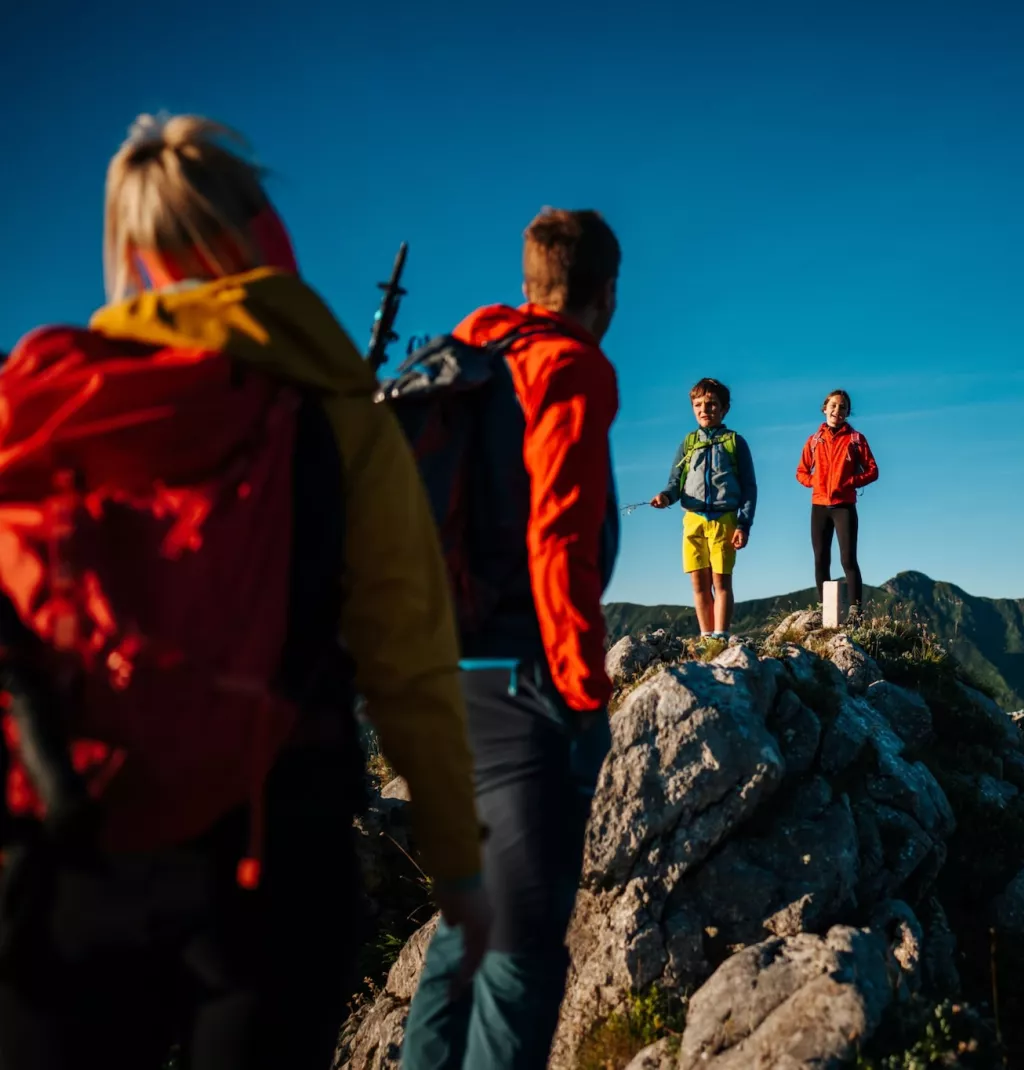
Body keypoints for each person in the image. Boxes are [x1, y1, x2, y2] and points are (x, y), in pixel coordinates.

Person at [0, 114, 489, 1069]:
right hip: (271, 855)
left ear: (131, 254)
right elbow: (410, 660)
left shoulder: (50, 399)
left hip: (69, 849)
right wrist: (458, 864)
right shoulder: (334, 409)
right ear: (262, 234)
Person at [400, 207, 622, 1070]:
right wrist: (582, 692)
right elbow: (559, 538)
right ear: (604, 293)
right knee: (520, 966)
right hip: (519, 686)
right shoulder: (567, 366)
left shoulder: (458, 363)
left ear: (529, 284)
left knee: (461, 945)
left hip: (434, 683)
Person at [649, 378, 758, 640]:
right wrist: (665, 497)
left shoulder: (735, 442)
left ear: (724, 409)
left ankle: (720, 636)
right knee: (699, 584)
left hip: (725, 520)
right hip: (693, 521)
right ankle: (706, 637)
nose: (704, 410)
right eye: (698, 405)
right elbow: (675, 483)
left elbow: (749, 487)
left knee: (721, 583)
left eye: (711, 405)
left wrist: (743, 524)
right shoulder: (688, 443)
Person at [796, 388, 879, 612]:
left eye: (842, 407)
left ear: (847, 412)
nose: (837, 410)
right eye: (833, 406)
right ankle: (827, 609)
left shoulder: (856, 439)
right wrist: (814, 482)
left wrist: (851, 481)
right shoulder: (814, 440)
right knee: (821, 560)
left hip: (844, 506)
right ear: (825, 408)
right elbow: (801, 472)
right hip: (820, 506)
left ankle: (855, 611)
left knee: (848, 560)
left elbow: (873, 470)